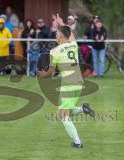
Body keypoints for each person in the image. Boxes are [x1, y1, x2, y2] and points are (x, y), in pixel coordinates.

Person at [38, 14, 95, 148]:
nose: (55, 35)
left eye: (57, 33)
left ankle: (77, 143)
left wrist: (43, 74)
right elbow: (70, 34)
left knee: (64, 116)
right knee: (63, 111)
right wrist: (62, 23)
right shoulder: (73, 45)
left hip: (69, 82)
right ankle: (83, 109)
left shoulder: (54, 51)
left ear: (59, 37)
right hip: (78, 80)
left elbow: (51, 72)